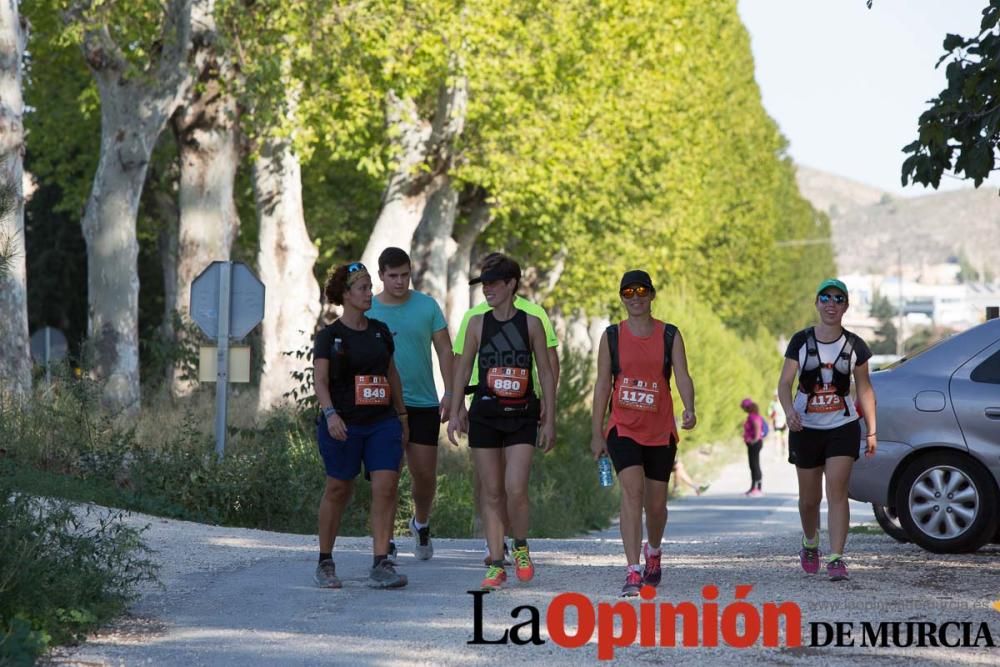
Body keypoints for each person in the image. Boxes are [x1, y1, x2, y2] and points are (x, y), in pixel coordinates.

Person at [448, 254, 557, 591]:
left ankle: (520, 545)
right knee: (492, 492)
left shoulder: (532, 323)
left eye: (494, 283)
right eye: (484, 284)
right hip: (485, 414)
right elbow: (463, 368)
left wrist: (550, 417)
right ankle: (497, 563)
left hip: (523, 415)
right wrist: (455, 410)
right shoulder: (478, 323)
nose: (488, 290)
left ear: (511, 284)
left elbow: (547, 372)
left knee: (515, 488)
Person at [590, 270, 697, 597]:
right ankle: (633, 570)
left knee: (657, 505)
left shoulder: (669, 335)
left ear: (651, 295)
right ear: (622, 297)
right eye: (627, 292)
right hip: (622, 428)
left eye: (641, 291)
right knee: (631, 494)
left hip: (660, 430)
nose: (635, 297)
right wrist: (597, 432)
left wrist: (689, 408)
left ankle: (653, 551)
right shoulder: (611, 336)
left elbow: (682, 375)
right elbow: (602, 385)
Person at [312, 261, 409, 590]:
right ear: (346, 294)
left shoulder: (380, 331)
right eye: (363, 288)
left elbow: (391, 375)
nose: (370, 293)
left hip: (382, 422)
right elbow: (321, 381)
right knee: (338, 489)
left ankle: (381, 562)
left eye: (370, 287)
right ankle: (325, 561)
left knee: (386, 486)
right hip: (343, 424)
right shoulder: (330, 336)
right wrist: (330, 414)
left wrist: (402, 416)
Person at [778, 278, 877, 582]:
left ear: (846, 306)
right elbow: (784, 384)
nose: (831, 304)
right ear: (817, 303)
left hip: (842, 427)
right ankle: (811, 543)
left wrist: (871, 430)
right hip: (805, 428)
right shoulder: (801, 341)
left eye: (838, 299)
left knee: (836, 491)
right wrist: (789, 412)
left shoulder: (856, 346)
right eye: (825, 298)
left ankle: (836, 557)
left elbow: (864, 389)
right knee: (809, 500)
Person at [368, 247, 453, 561]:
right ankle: (385, 542)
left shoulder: (427, 306)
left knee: (425, 476)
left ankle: (421, 522)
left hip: (423, 402)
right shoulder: (369, 309)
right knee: (386, 478)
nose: (400, 282)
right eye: (393, 276)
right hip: (381, 405)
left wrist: (451, 393)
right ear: (381, 276)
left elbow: (445, 350)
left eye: (405, 275)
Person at [740, 398, 765, 496]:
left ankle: (758, 488)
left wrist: (754, 440)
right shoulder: (753, 416)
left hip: (755, 444)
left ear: (747, 407)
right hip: (754, 444)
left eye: (744, 408)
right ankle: (753, 487)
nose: (743, 410)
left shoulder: (752, 416)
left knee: (755, 465)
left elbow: (757, 427)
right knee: (752, 465)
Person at [768, 390, 788, 455]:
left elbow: (787, 413)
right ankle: (777, 453)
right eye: (775, 396)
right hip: (776, 423)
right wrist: (772, 414)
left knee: (784, 438)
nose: (777, 397)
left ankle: (785, 451)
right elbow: (770, 414)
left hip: (784, 423)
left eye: (778, 395)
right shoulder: (772, 404)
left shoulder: (784, 403)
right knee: (777, 438)